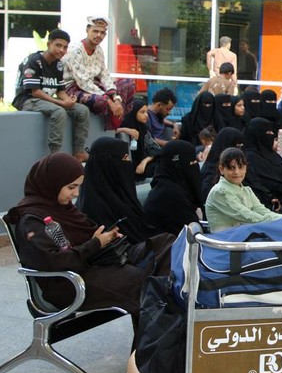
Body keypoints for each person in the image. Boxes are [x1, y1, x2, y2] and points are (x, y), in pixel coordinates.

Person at [6, 152, 172, 339]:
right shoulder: (32, 220)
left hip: (93, 263)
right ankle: (151, 354)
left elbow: (84, 240)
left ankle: (170, 329)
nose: (75, 194)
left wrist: (104, 238)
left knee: (165, 244)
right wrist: (94, 243)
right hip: (67, 283)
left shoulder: (65, 210)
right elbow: (55, 262)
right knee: (140, 282)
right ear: (51, 183)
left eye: (77, 187)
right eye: (71, 187)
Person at [12, 29, 90, 161]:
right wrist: (61, 103)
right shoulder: (34, 61)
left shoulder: (59, 64)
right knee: (59, 111)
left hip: (46, 100)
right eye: (58, 45)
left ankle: (79, 152)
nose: (62, 50)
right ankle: (54, 155)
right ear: (49, 45)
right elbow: (35, 92)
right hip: (27, 99)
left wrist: (69, 100)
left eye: (65, 47)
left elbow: (60, 91)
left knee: (82, 110)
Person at [77, 137, 157, 244]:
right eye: (125, 158)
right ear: (108, 165)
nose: (129, 163)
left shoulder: (118, 197)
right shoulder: (95, 210)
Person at [62, 16, 135, 131]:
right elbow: (83, 82)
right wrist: (109, 100)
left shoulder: (99, 50)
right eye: (95, 31)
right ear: (87, 30)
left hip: (95, 86)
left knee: (128, 84)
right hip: (73, 88)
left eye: (102, 33)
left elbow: (104, 74)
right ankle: (111, 125)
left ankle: (117, 122)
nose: (98, 35)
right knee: (101, 102)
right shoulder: (75, 50)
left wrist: (116, 98)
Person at [205, 147, 282, 233]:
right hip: (226, 242)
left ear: (246, 168)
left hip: (243, 237)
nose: (236, 172)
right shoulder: (220, 192)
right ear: (221, 169)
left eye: (240, 167)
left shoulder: (247, 190)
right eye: (231, 168)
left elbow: (262, 211)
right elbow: (248, 217)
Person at [242, 117, 282, 213]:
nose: (271, 135)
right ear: (257, 135)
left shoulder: (271, 154)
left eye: (272, 132)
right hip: (272, 202)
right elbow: (264, 184)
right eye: (268, 133)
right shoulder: (250, 158)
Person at [143, 140, 203, 235]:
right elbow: (193, 235)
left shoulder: (167, 187)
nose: (195, 166)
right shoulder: (170, 195)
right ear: (178, 166)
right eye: (192, 162)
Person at [117, 99, 161, 181]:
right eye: (142, 112)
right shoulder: (125, 123)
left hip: (141, 163)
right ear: (134, 112)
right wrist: (126, 130)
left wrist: (144, 162)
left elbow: (154, 148)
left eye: (146, 112)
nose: (146, 115)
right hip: (127, 165)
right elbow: (112, 131)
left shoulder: (143, 128)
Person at [200, 127, 246, 202]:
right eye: (236, 146)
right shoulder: (211, 172)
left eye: (241, 147)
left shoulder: (242, 168)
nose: (238, 151)